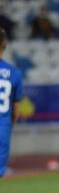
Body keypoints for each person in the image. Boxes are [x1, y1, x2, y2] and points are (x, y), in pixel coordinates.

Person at [0, 28, 23, 177]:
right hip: (3, 126)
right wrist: (9, 125)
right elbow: (16, 109)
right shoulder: (14, 72)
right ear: (4, 45)